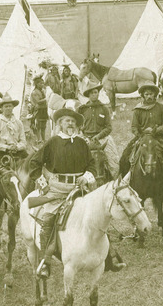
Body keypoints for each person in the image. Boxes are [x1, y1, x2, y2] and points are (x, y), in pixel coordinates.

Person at [29, 108, 125, 277]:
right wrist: (43, 182)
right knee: (49, 220)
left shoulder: (82, 144)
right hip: (57, 189)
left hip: (80, 189)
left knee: (98, 216)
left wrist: (87, 176)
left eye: (73, 121)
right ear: (60, 124)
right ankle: (46, 261)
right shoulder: (52, 142)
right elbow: (35, 163)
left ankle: (108, 257)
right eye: (67, 121)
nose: (71, 124)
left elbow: (91, 165)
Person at [119, 83, 163, 174]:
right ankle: (126, 178)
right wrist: (141, 134)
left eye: (151, 94)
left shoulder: (161, 107)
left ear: (155, 94)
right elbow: (134, 126)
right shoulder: (138, 109)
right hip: (142, 137)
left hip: (159, 136)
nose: (149, 96)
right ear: (143, 95)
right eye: (146, 94)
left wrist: (157, 131)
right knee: (125, 156)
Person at [78, 81, 118, 178]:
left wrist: (98, 136)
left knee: (114, 162)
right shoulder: (82, 109)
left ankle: (114, 181)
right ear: (88, 95)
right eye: (92, 93)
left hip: (102, 138)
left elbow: (108, 127)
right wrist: (83, 134)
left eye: (96, 92)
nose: (94, 95)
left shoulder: (104, 108)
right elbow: (78, 126)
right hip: (86, 138)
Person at [0, 94, 28, 172]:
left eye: (10, 106)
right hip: (0, 152)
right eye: (6, 106)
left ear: (13, 107)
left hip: (17, 152)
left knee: (30, 168)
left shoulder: (18, 123)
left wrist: (17, 147)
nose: (8, 108)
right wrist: (7, 147)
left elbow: (23, 142)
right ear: (1, 108)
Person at [29, 76, 48, 144]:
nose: (42, 85)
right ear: (36, 84)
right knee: (38, 125)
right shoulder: (35, 92)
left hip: (44, 109)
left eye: (43, 83)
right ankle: (38, 139)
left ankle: (43, 139)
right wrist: (47, 98)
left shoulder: (42, 91)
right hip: (38, 110)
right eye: (40, 83)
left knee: (43, 125)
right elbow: (38, 101)